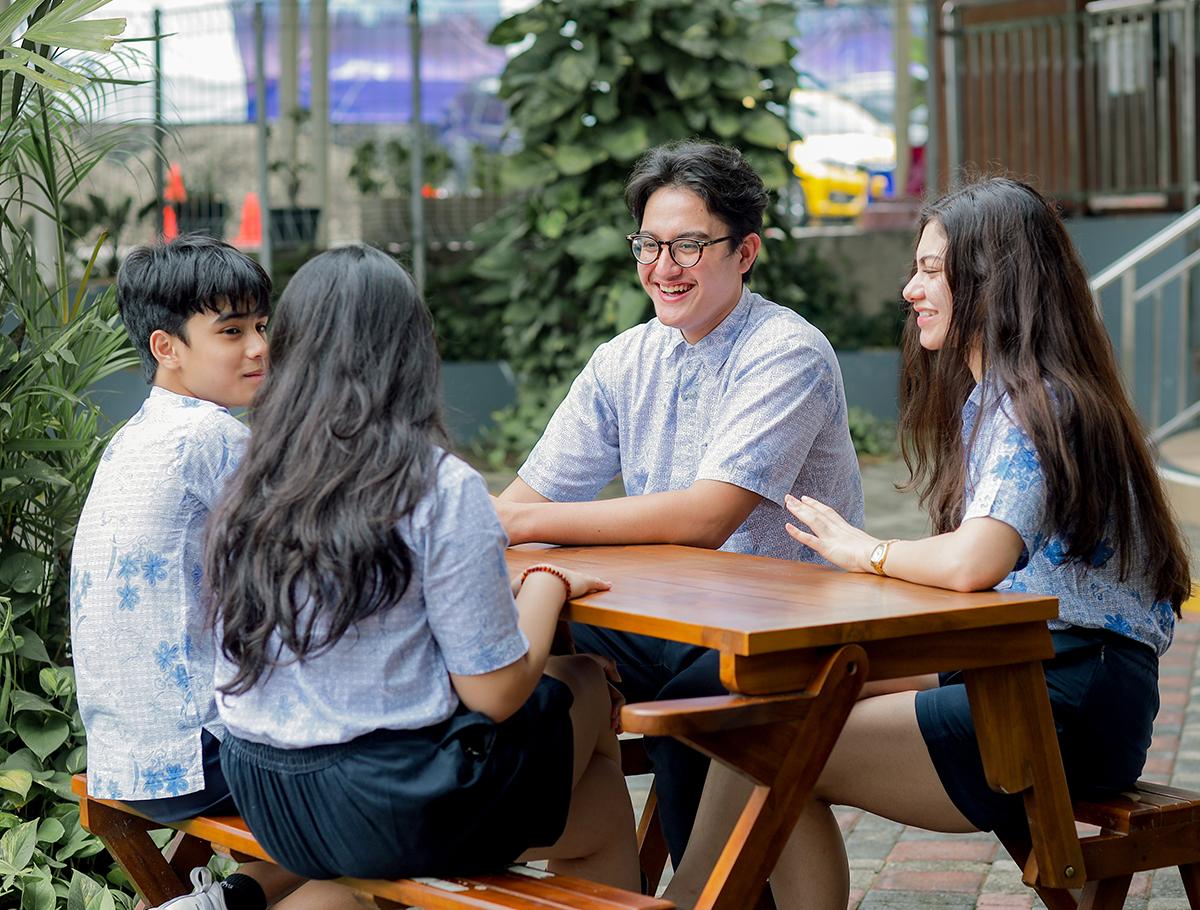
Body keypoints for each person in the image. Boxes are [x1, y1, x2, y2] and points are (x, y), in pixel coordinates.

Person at [665, 176, 1191, 909]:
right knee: (765, 710)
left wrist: (867, 552)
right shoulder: (1020, 394)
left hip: (1058, 702)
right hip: (1032, 678)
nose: (911, 288)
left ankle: (687, 899)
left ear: (993, 279)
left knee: (772, 745)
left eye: (931, 270)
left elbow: (974, 562)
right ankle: (691, 895)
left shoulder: (1032, 399)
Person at [202, 245, 640, 890]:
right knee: (578, 682)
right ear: (410, 352)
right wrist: (546, 586)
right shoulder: (437, 486)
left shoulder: (251, 480)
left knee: (598, 797)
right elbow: (492, 695)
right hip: (387, 805)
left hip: (269, 798)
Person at [494, 140, 864, 864]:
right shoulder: (623, 359)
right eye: (650, 245)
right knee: (524, 647)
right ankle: (522, 836)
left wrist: (522, 523)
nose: (664, 268)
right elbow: (524, 501)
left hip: (785, 628)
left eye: (689, 245)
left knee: (700, 713)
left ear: (745, 250)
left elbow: (706, 516)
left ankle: (709, 887)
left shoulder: (785, 351)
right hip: (671, 621)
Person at [70, 236, 359, 910]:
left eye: (262, 326)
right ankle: (227, 902)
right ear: (165, 347)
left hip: (125, 750)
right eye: (231, 331)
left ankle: (220, 901)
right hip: (195, 752)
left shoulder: (135, 436)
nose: (259, 347)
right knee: (387, 792)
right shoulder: (210, 436)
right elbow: (321, 566)